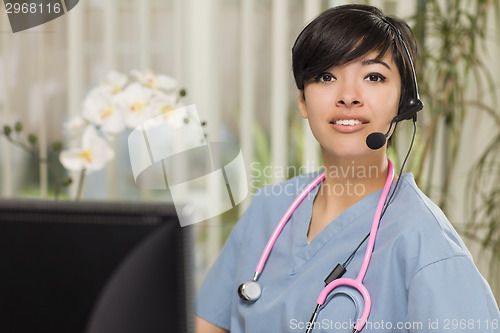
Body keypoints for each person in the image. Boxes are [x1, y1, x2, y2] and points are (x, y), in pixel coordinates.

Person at [195, 4, 500, 333]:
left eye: (374, 76)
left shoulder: (425, 243)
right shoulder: (269, 210)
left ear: (403, 103)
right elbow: (207, 324)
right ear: (303, 100)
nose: (348, 96)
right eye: (326, 76)